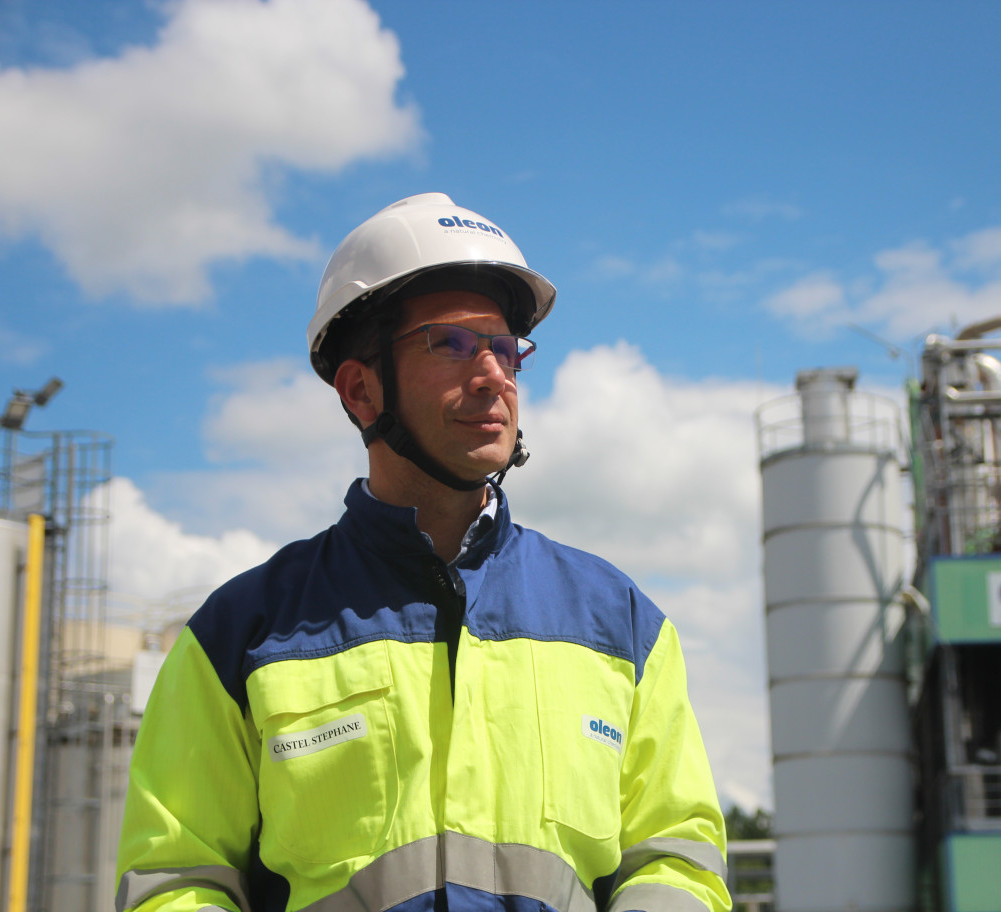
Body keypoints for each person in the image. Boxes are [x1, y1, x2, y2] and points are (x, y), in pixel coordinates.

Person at [115, 193, 732, 912]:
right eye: (454, 344)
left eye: (506, 349)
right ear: (361, 389)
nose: (495, 375)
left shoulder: (621, 622)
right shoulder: (241, 633)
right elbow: (175, 878)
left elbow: (675, 856)